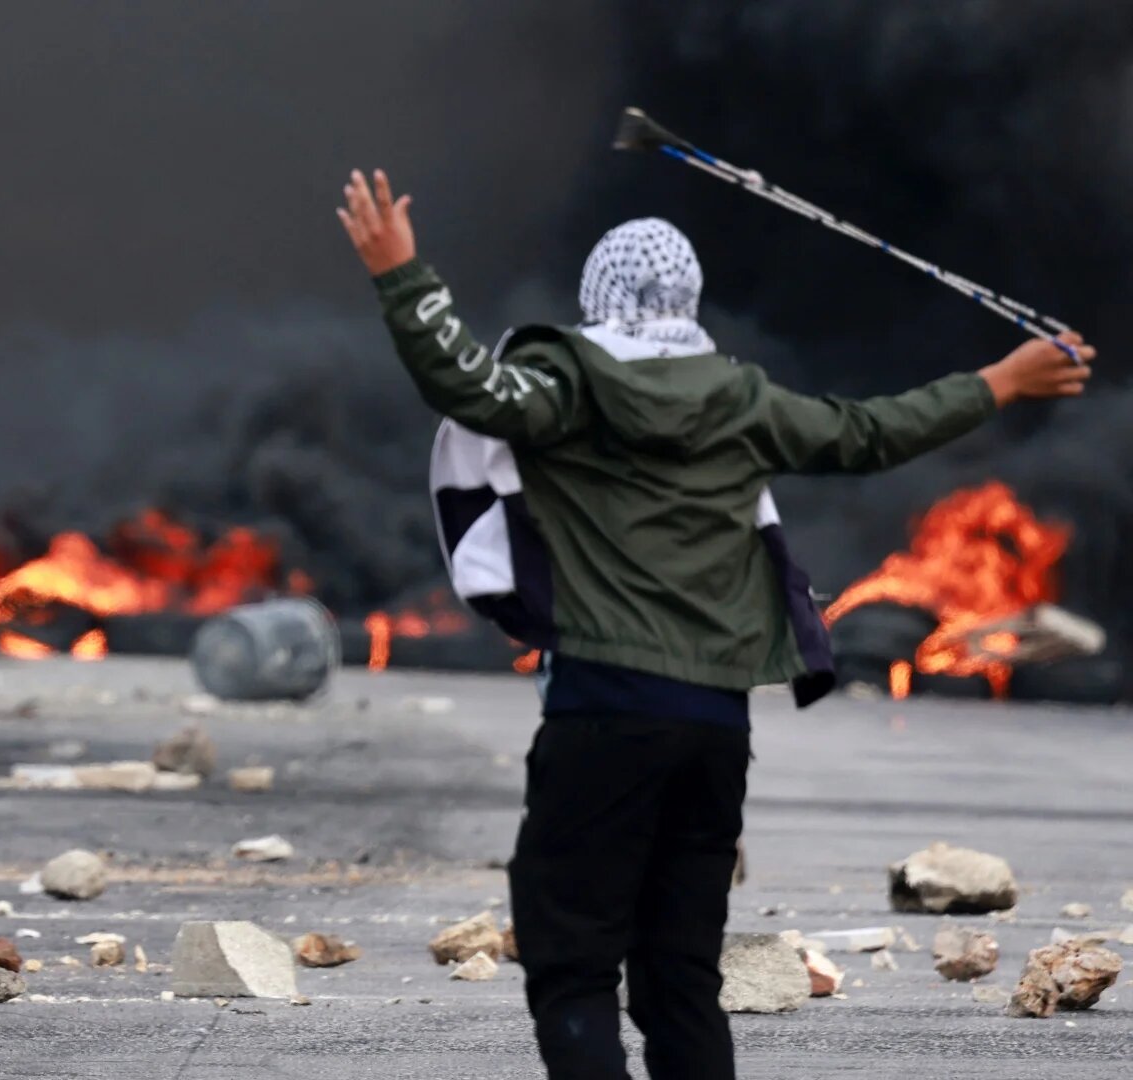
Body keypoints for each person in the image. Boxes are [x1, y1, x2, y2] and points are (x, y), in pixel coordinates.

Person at [336, 169, 1093, 1080]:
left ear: (598, 297)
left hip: (602, 711)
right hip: (714, 729)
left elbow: (470, 386)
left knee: (572, 967)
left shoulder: (569, 386)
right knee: (680, 978)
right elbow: (872, 432)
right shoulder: (742, 401)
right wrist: (1001, 380)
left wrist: (402, 275)